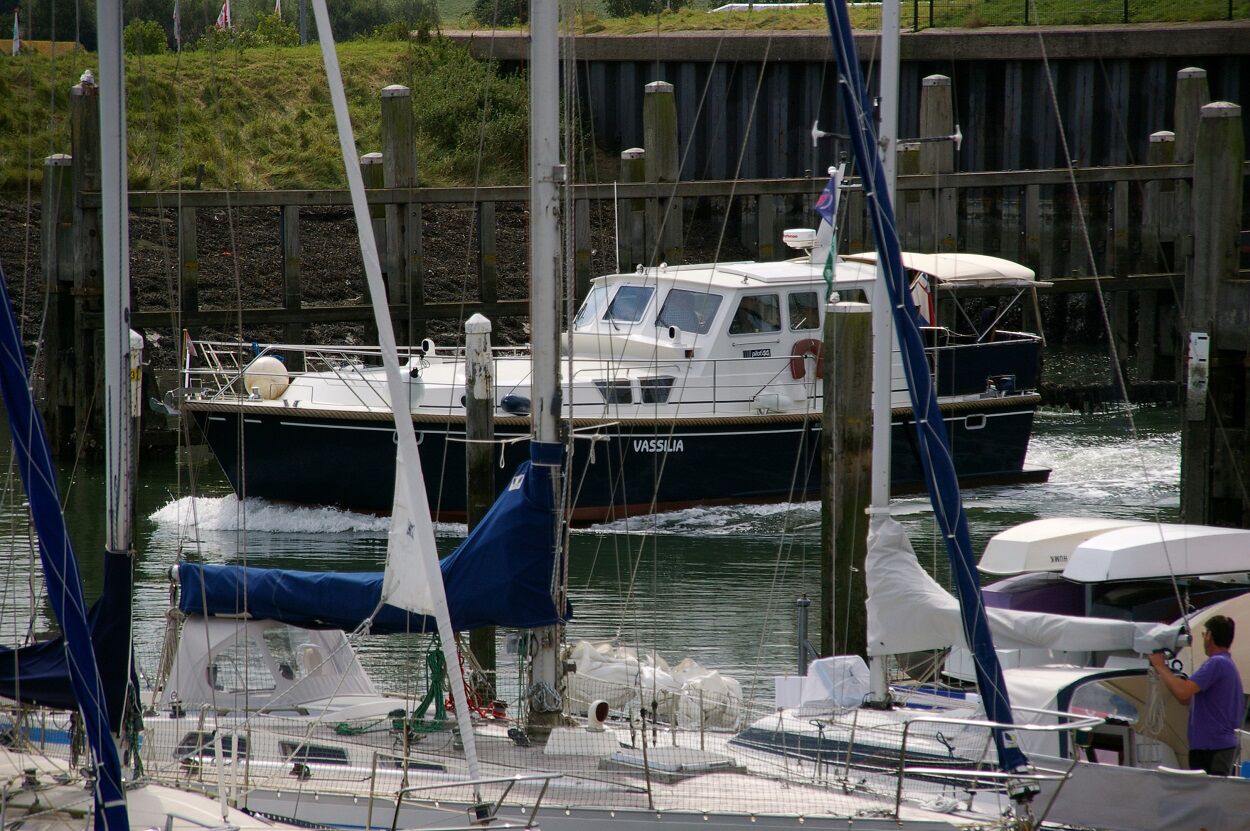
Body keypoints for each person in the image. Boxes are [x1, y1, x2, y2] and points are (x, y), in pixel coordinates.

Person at [1149, 615, 1245, 775]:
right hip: (1214, 747)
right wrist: (1170, 676)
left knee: (1209, 790)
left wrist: (1160, 666)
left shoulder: (1216, 663)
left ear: (1209, 636)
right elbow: (1185, 698)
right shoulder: (1226, 664)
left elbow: (1183, 692)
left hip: (1213, 748)